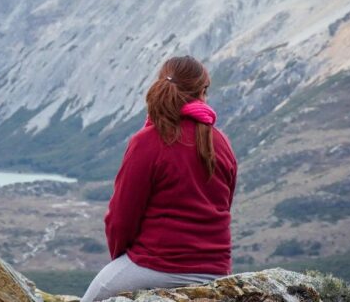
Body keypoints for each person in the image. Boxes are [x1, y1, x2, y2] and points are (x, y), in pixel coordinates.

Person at [81, 55, 238, 302]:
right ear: (203, 91)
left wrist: (124, 260)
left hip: (158, 265)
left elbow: (121, 218)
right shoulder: (221, 142)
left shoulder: (148, 141)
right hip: (216, 270)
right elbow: (224, 204)